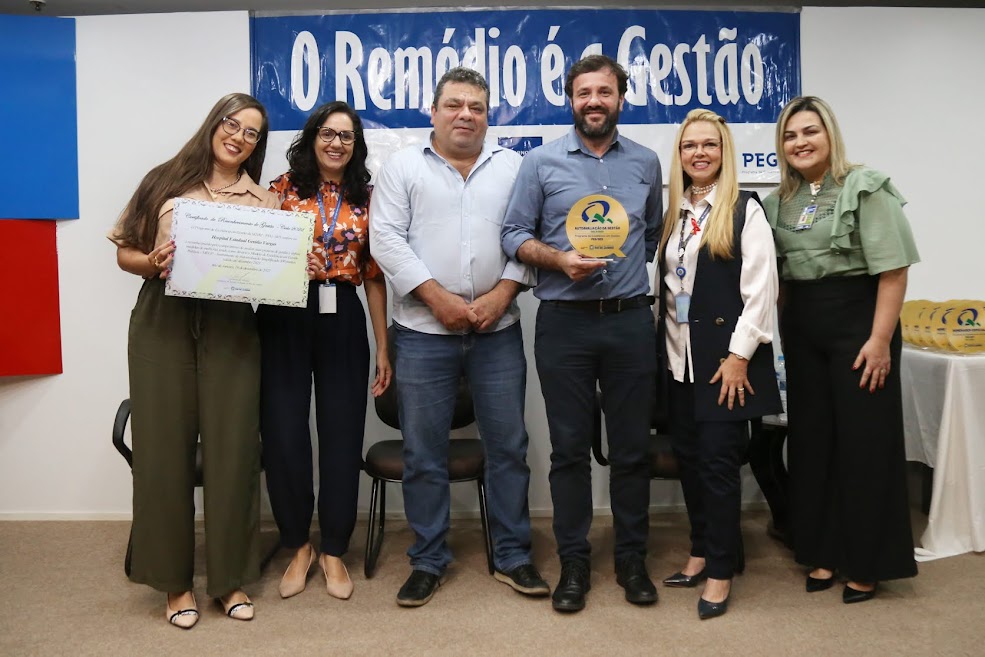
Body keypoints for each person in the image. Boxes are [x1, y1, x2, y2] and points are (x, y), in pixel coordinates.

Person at [371, 67, 546, 607]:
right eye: (454, 104)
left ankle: (514, 556)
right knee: (424, 452)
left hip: (498, 331)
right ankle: (427, 559)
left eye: (475, 106)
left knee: (509, 448)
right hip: (423, 333)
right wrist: (437, 299)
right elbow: (386, 241)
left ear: (488, 115)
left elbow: (532, 238)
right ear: (433, 111)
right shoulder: (401, 168)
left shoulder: (515, 167)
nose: (465, 114)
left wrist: (503, 294)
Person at [108, 93, 280, 628]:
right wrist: (152, 262)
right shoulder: (164, 180)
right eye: (233, 124)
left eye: (252, 133)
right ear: (214, 124)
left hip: (232, 324)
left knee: (233, 451)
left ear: (257, 145)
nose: (240, 137)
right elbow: (124, 252)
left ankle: (228, 581)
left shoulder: (266, 202)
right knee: (162, 451)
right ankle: (175, 584)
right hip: (164, 318)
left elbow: (272, 279)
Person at [501, 54, 663, 612]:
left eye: (605, 92)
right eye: (583, 93)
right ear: (571, 100)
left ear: (621, 98)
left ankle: (631, 559)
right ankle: (574, 560)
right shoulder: (541, 162)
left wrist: (618, 275)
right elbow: (514, 235)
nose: (594, 101)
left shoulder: (645, 162)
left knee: (632, 449)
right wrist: (557, 259)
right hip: (564, 324)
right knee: (569, 449)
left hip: (630, 321)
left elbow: (651, 237)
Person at [763, 96, 919, 603]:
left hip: (859, 323)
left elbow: (893, 270)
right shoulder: (777, 202)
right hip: (802, 326)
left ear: (829, 135)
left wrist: (879, 341)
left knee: (864, 443)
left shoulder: (865, 186)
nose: (800, 143)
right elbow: (779, 278)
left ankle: (868, 562)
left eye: (810, 132)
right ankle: (822, 551)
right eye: (790, 136)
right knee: (813, 442)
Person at [259, 101, 391, 601]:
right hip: (285, 314)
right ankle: (298, 544)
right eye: (328, 133)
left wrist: (384, 346)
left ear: (356, 145)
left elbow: (375, 280)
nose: (337, 143)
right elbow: (256, 258)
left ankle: (334, 547)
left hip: (345, 317)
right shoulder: (280, 191)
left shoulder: (368, 198)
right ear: (312, 137)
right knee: (285, 432)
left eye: (347, 136)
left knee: (342, 432)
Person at [655, 109, 781, 620]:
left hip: (723, 365)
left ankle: (722, 572)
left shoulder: (744, 209)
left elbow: (761, 292)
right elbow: (672, 287)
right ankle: (701, 552)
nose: (699, 153)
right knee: (691, 464)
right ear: (679, 156)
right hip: (678, 362)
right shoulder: (676, 211)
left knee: (720, 470)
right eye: (689, 146)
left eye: (709, 145)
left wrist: (737, 358)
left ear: (724, 152)